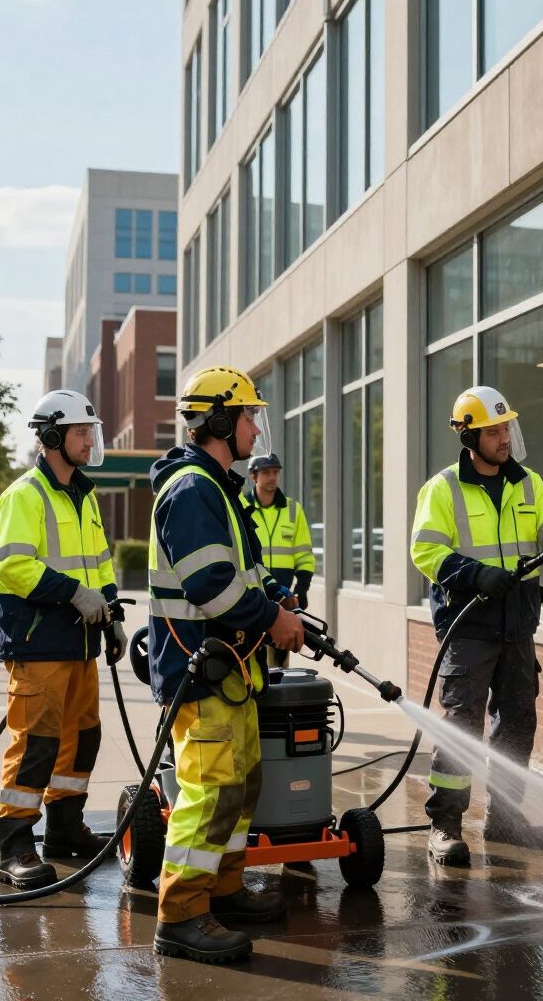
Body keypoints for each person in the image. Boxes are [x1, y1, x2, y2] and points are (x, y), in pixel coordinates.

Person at [148, 365, 304, 965]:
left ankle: (224, 890)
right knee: (210, 790)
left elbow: (245, 572)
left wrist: (281, 604)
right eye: (247, 416)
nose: (255, 426)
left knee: (241, 786)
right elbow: (211, 584)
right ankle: (182, 914)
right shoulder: (193, 490)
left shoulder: (220, 487)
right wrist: (270, 619)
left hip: (228, 669)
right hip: (201, 666)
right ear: (218, 420)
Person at [410, 386, 543, 866]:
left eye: (506, 426)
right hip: (468, 628)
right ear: (470, 436)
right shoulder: (443, 487)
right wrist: (473, 574)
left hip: (517, 625)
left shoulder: (527, 482)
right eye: (493, 430)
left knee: (517, 725)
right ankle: (445, 825)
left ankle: (506, 819)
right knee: (462, 730)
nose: (504, 436)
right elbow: (425, 550)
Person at [0, 389, 128, 890]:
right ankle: (16, 845)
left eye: (91, 431)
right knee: (36, 746)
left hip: (80, 643)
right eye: (80, 432)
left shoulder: (84, 495)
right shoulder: (23, 496)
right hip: (37, 643)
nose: (90, 441)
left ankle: (65, 829)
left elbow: (101, 561)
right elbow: (14, 567)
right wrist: (75, 595)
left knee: (81, 739)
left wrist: (109, 613)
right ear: (51, 437)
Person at [243, 453, 315, 667]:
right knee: (252, 655)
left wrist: (302, 587)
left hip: (283, 596)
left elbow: (304, 553)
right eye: (266, 473)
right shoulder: (241, 508)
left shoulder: (293, 510)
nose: (272, 477)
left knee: (280, 658)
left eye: (275, 472)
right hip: (251, 595)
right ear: (253, 476)